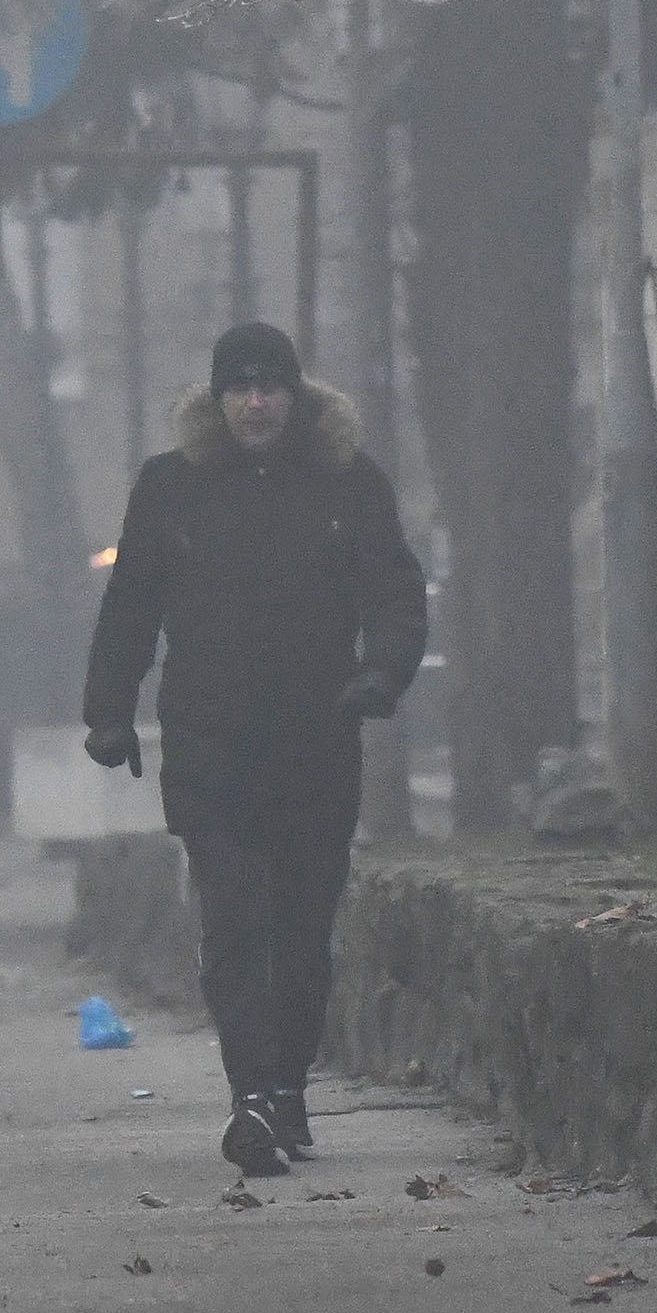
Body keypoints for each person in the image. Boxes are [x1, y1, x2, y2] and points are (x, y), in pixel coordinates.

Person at [81, 323, 425, 1179]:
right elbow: (131, 605)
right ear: (217, 399)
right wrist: (110, 713)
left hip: (316, 739)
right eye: (239, 387)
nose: (256, 402)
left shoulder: (347, 485)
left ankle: (287, 1081)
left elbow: (394, 589)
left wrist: (382, 672)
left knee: (305, 926)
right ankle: (254, 1094)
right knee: (234, 917)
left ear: (296, 395)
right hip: (211, 742)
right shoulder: (172, 488)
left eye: (270, 385)